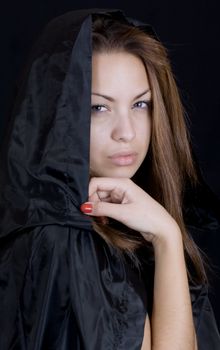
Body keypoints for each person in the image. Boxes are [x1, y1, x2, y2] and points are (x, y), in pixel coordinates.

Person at [0, 7, 219, 350]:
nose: (126, 132)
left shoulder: (114, 221)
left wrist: (166, 235)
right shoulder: (66, 240)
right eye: (98, 108)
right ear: (62, 114)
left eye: (140, 105)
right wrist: (167, 237)